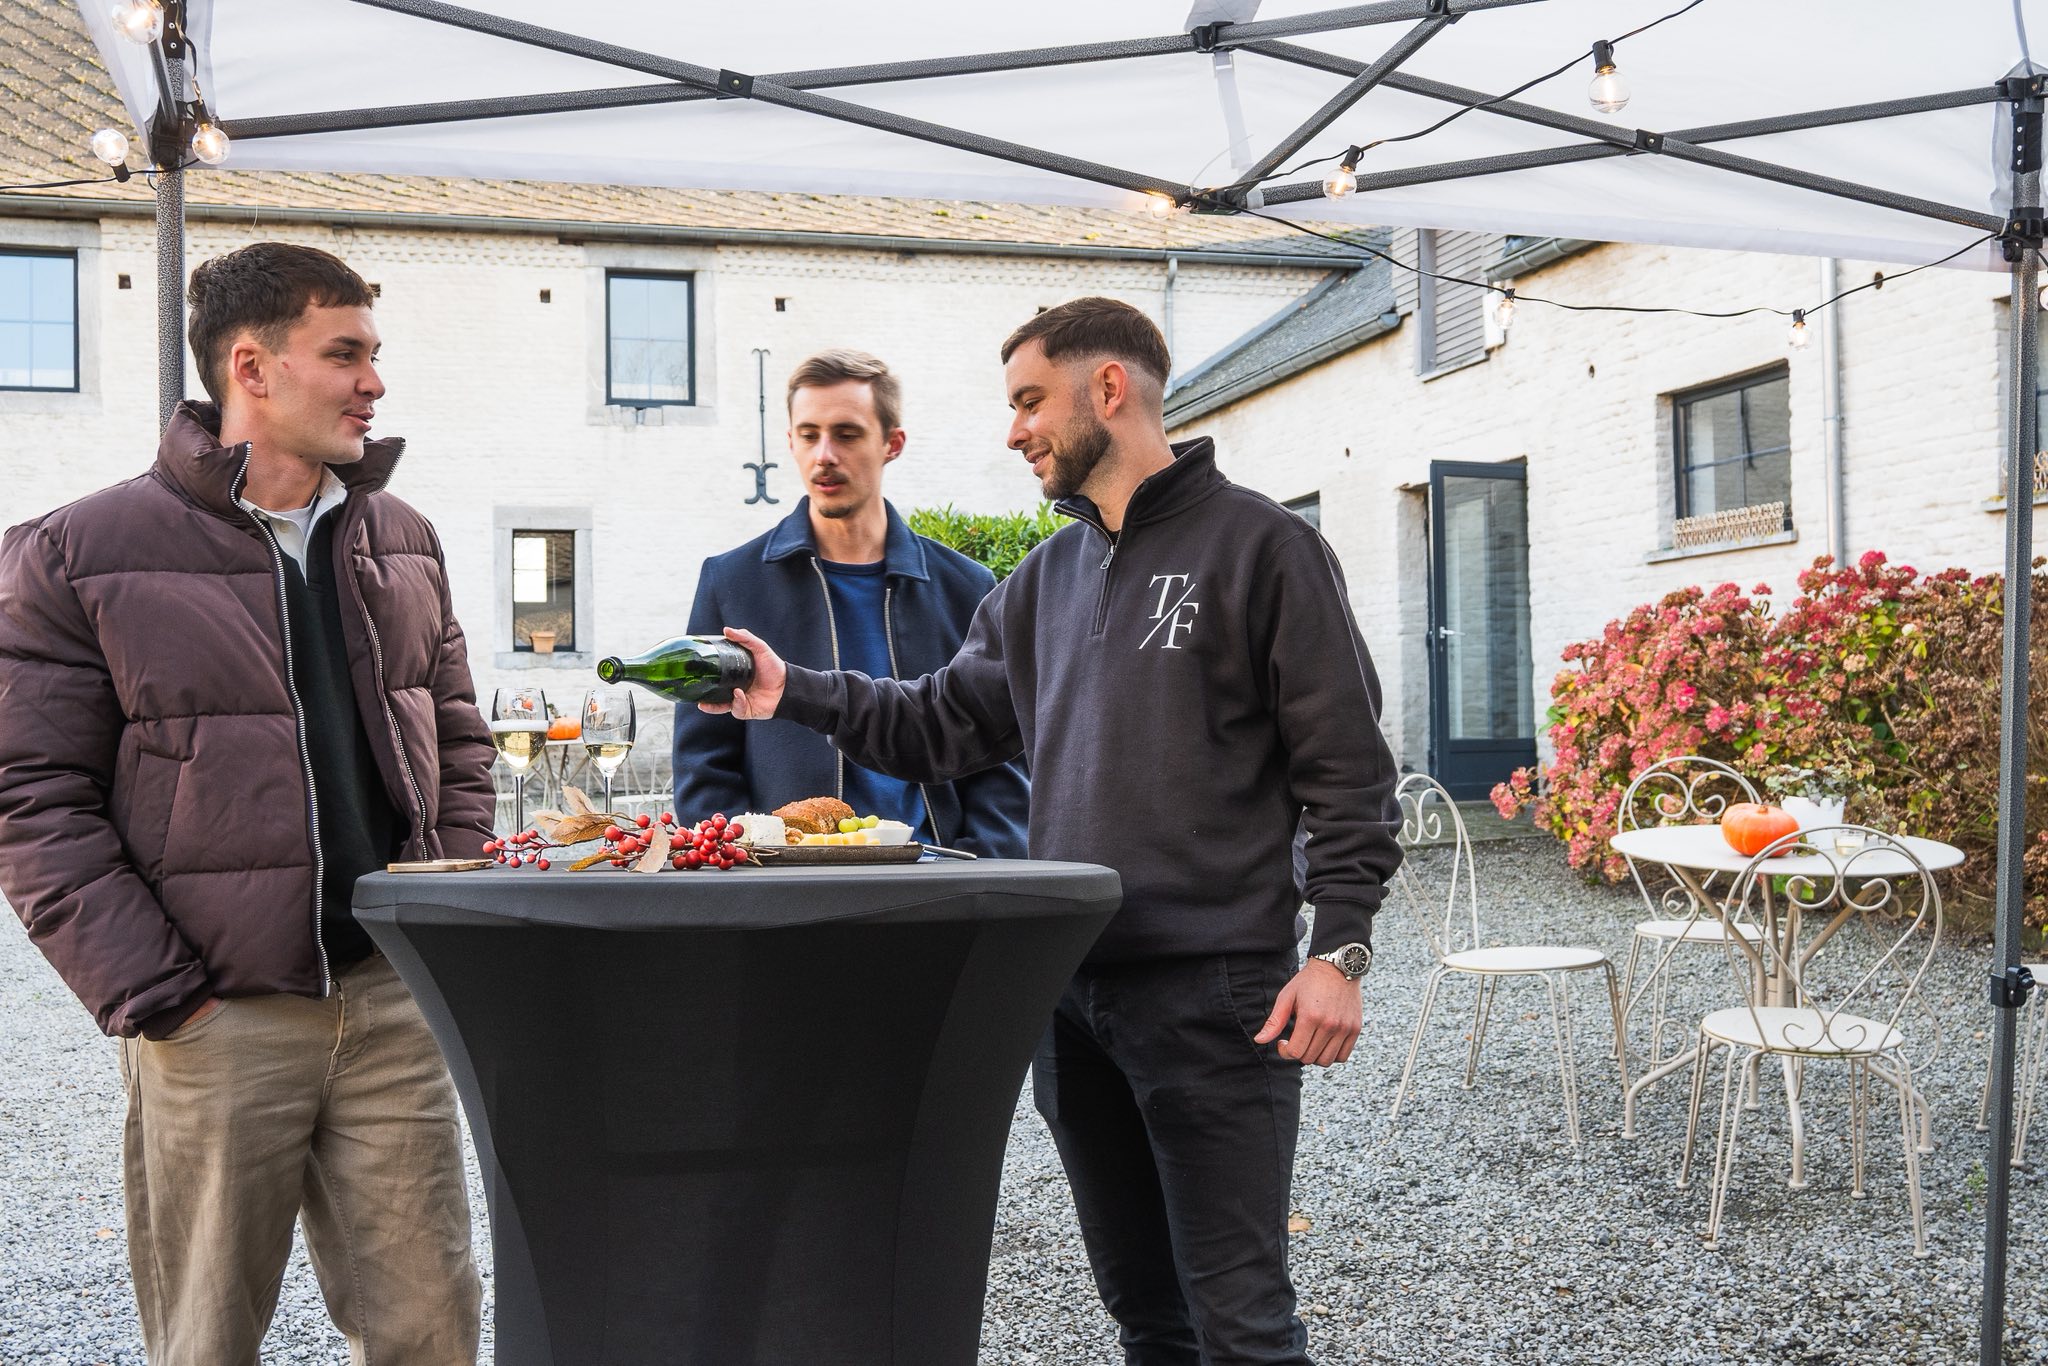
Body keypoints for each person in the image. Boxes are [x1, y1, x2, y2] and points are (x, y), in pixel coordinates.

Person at [702, 297, 1401, 1364]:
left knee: (1242, 1325)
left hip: (1216, 997)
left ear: (1107, 388)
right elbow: (935, 723)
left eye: (1030, 401)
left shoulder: (1266, 548)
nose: (1015, 430)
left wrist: (1339, 950)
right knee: (1146, 1316)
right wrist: (789, 687)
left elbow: (1347, 771)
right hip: (1071, 998)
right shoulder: (1043, 581)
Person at [0, 242, 491, 1364]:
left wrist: (449, 904)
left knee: (433, 1331)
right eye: (346, 354)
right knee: (206, 1341)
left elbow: (458, 736)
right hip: (217, 1016)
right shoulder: (78, 553)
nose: (374, 382)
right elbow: (31, 796)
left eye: (374, 354)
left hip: (394, 1002)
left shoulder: (403, 539)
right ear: (252, 368)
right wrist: (161, 995)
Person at [671, 347, 1028, 856]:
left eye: (847, 434)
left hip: (941, 875)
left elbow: (1001, 758)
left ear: (891, 443)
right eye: (809, 435)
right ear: (790, 442)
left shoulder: (965, 586)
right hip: (788, 879)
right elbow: (703, 763)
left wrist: (979, 865)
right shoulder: (731, 581)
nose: (824, 455)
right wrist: (751, 866)